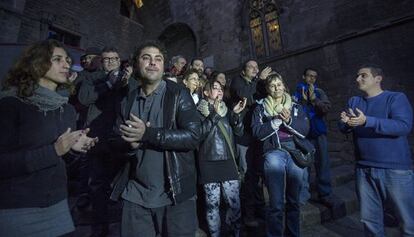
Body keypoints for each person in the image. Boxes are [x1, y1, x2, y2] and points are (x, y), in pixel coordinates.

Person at [0, 39, 97, 236]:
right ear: (37, 63)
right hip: (18, 209)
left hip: (58, 207)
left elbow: (62, 161)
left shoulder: (67, 109)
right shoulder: (11, 105)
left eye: (68, 59)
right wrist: (54, 150)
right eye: (58, 59)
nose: (67, 64)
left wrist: (74, 150)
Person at [110, 41, 201, 237]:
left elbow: (194, 136)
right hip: (135, 196)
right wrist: (129, 146)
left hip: (174, 194)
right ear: (136, 65)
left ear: (163, 66)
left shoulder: (178, 94)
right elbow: (114, 142)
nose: (153, 63)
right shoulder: (128, 100)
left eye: (158, 59)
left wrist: (148, 134)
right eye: (146, 58)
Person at [338, 65, 414, 236]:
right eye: (357, 76)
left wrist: (367, 121)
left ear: (378, 78)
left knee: (408, 222)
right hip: (364, 169)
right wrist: (346, 124)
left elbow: (403, 126)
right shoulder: (354, 101)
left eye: (363, 75)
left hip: (395, 170)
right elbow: (343, 127)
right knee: (370, 222)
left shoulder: (395, 98)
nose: (358, 79)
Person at [77, 46, 133, 237]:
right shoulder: (91, 78)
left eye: (114, 59)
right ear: (101, 61)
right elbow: (84, 98)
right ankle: (100, 228)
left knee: (120, 182)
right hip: (98, 138)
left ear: (119, 60)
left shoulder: (127, 79)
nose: (110, 62)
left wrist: (128, 81)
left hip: (121, 138)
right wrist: (108, 85)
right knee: (98, 184)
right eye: (106, 59)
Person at [252, 72, 310, 237]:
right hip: (274, 151)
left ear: (284, 85)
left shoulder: (296, 105)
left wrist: (290, 121)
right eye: (272, 85)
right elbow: (257, 132)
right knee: (276, 203)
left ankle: (293, 234)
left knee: (294, 201)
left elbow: (305, 129)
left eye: (279, 84)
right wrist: (276, 121)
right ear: (268, 89)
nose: (276, 87)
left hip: (295, 151)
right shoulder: (260, 107)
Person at [197, 79, 246, 237]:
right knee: (212, 205)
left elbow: (238, 132)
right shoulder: (197, 112)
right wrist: (214, 115)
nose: (219, 91)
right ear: (205, 93)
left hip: (228, 161)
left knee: (234, 204)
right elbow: (198, 135)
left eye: (220, 89)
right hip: (208, 162)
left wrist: (236, 115)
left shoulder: (227, 110)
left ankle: (236, 233)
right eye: (214, 88)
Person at [229, 59, 271, 227]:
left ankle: (261, 208)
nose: (255, 69)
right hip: (244, 136)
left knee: (259, 173)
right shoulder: (237, 82)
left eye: (256, 66)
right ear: (243, 71)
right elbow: (245, 96)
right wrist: (259, 79)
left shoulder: (257, 83)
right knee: (247, 174)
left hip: (257, 134)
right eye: (251, 67)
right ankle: (249, 214)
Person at [293, 68, 335, 206]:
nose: (311, 79)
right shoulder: (297, 93)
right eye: (309, 76)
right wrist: (303, 102)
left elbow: (326, 109)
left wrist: (314, 100)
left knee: (323, 164)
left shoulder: (319, 92)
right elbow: (294, 112)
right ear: (303, 76)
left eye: (314, 77)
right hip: (303, 135)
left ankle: (325, 194)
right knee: (304, 166)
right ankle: (303, 196)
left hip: (318, 134)